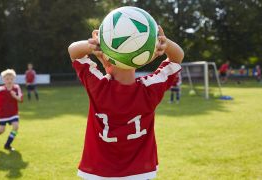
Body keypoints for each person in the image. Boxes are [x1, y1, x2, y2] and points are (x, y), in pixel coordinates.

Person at [68, 26, 184, 179]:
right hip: (140, 173)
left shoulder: (99, 88)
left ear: (107, 60)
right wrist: (166, 43)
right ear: (142, 59)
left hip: (99, 172)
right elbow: (177, 58)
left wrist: (94, 44)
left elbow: (73, 51)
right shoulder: (150, 89)